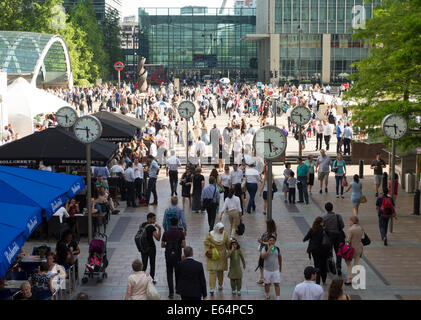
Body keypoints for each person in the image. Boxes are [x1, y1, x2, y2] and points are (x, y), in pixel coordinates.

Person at [161, 217, 186, 298]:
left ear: (170, 223)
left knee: (169, 273)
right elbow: (184, 245)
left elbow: (162, 245)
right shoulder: (180, 233)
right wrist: (178, 245)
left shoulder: (166, 233)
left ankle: (171, 292)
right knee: (177, 272)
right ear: (177, 223)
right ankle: (178, 290)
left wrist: (167, 245)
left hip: (168, 255)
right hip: (177, 255)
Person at [204, 222, 230, 296]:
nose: (222, 230)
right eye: (220, 229)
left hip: (222, 256)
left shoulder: (225, 235)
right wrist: (210, 245)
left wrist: (231, 248)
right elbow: (206, 242)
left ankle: (220, 284)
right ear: (217, 229)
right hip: (213, 255)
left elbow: (228, 244)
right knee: (212, 271)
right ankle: (212, 288)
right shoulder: (210, 234)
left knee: (220, 271)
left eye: (223, 229)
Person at [303, 217, 330, 285]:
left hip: (315, 250)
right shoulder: (325, 230)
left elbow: (305, 238)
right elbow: (329, 239)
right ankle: (324, 280)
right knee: (324, 265)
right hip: (324, 250)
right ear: (321, 222)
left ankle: (317, 281)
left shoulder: (313, 229)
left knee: (317, 265)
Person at [322, 202, 345, 276]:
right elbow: (342, 225)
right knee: (338, 253)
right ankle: (339, 267)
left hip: (329, 237)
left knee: (329, 253)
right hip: (338, 237)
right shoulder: (338, 216)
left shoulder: (324, 218)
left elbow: (323, 228)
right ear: (332, 208)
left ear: (326, 209)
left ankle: (330, 267)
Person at [140, 213, 161, 283]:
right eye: (154, 219)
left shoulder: (142, 225)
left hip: (143, 247)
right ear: (149, 219)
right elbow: (158, 238)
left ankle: (141, 279)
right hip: (151, 248)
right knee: (152, 264)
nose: (155, 220)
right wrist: (159, 229)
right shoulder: (151, 227)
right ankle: (151, 280)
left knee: (144, 264)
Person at [261, 234, 282, 300]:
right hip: (267, 270)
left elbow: (279, 257)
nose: (271, 242)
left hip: (275, 269)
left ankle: (278, 298)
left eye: (273, 240)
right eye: (270, 240)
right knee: (267, 284)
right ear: (268, 241)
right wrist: (268, 250)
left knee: (277, 284)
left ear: (275, 241)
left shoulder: (277, 248)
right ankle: (267, 296)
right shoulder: (265, 248)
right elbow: (263, 256)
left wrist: (280, 266)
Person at [256, 219, 277, 284]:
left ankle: (267, 280)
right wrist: (260, 240)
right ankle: (262, 278)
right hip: (263, 250)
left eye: (267, 225)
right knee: (261, 264)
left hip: (269, 250)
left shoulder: (273, 234)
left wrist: (261, 242)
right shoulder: (266, 232)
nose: (266, 226)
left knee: (267, 266)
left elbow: (271, 243)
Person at [344, 216, 363, 285]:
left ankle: (350, 279)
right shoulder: (360, 228)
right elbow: (363, 237)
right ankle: (356, 279)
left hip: (351, 249)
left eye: (349, 221)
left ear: (352, 221)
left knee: (348, 264)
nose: (349, 222)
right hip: (359, 248)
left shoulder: (351, 230)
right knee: (356, 264)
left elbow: (348, 240)